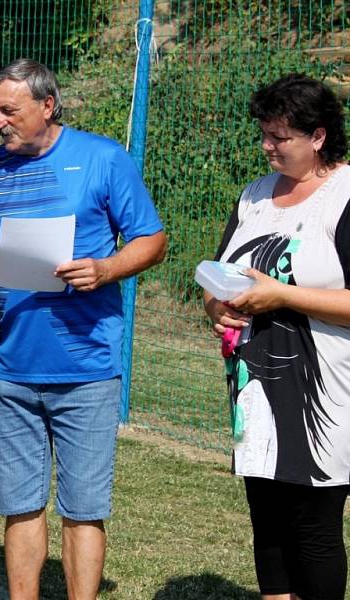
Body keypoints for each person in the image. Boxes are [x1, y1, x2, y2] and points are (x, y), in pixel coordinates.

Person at [0, 58, 167, 600]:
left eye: (9, 111)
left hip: (87, 368)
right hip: (12, 370)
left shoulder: (103, 159)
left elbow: (151, 240)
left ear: (47, 105)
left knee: (84, 508)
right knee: (19, 505)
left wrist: (106, 269)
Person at [204, 74, 350, 600]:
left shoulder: (345, 195)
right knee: (266, 519)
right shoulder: (254, 196)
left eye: (279, 137)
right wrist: (217, 307)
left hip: (325, 394)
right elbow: (219, 275)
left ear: (317, 137)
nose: (267, 146)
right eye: (264, 134)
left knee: (313, 528)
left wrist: (284, 297)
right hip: (253, 385)